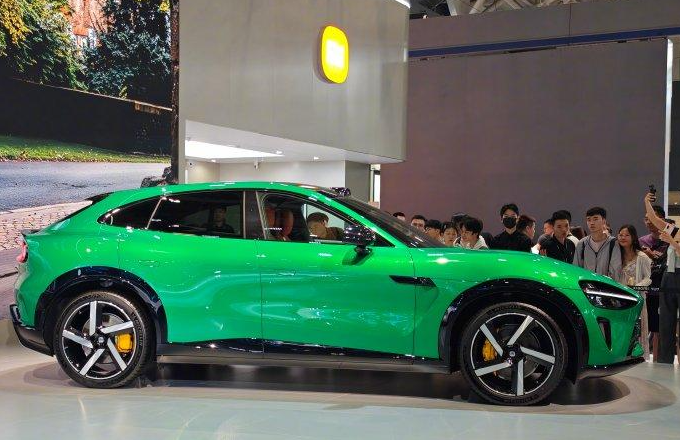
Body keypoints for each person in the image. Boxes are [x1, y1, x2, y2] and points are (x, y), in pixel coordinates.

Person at [643, 192, 680, 364]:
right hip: (668, 277)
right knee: (665, 321)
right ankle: (665, 362)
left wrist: (671, 241)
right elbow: (654, 219)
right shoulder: (674, 230)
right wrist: (646, 202)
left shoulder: (673, 234)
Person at [616, 224, 652, 359]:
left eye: (627, 235)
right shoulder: (615, 256)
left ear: (633, 237)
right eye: (620, 235)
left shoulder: (642, 257)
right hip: (619, 300)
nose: (623, 237)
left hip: (636, 299)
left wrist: (636, 287)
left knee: (637, 329)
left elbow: (648, 278)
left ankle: (638, 356)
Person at [640, 204, 669, 358]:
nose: (649, 221)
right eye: (646, 219)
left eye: (652, 218)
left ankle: (660, 361)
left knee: (662, 329)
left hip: (666, 289)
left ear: (661, 219)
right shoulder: (642, 241)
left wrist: (654, 257)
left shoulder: (671, 239)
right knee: (646, 326)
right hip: (646, 290)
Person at [572, 207, 622, 278]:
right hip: (586, 283)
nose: (591, 223)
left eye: (595, 219)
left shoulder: (613, 243)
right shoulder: (582, 243)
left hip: (606, 284)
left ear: (604, 221)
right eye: (588, 220)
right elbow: (576, 269)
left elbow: (615, 271)